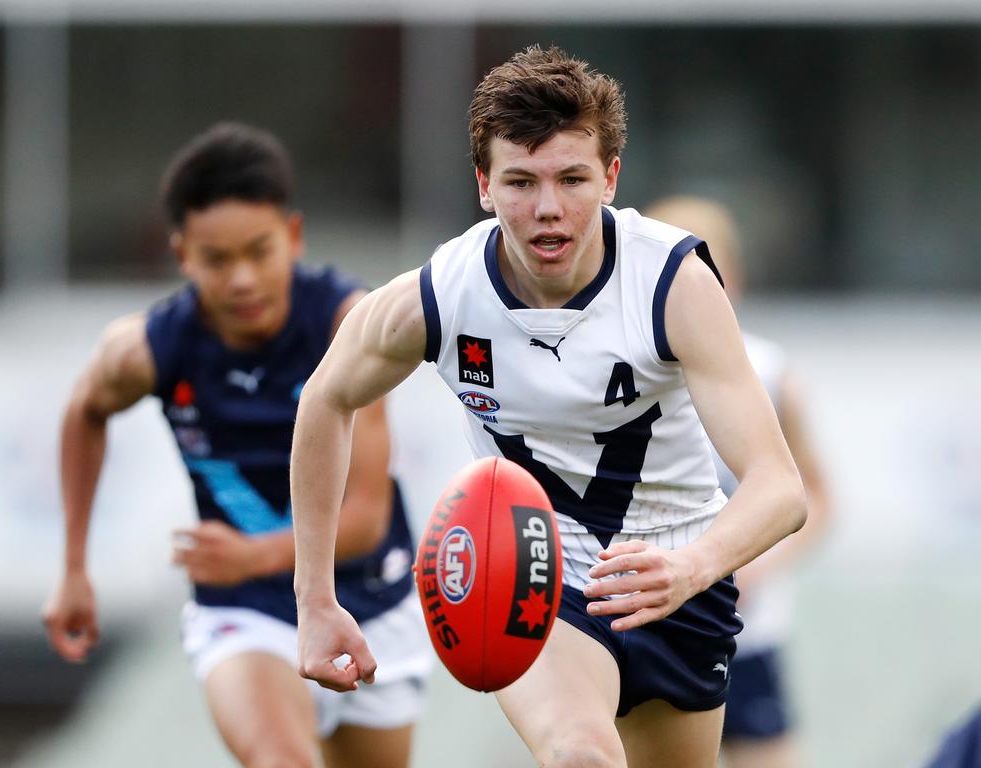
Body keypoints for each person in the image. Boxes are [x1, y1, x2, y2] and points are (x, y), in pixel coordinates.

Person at [290, 46, 806, 767]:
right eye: (520, 182)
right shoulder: (441, 295)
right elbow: (324, 399)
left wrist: (695, 566)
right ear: (483, 185)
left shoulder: (674, 283)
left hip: (676, 578)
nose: (547, 209)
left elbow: (781, 489)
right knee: (581, 755)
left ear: (611, 177)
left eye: (571, 178)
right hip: (536, 569)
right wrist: (314, 600)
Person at [41, 122, 431, 768]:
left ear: (294, 236)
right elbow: (85, 410)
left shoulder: (348, 326)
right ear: (182, 256)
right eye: (218, 260)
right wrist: (74, 568)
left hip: (367, 597)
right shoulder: (148, 350)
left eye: (260, 250)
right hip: (247, 610)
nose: (243, 279)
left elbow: (363, 520)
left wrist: (249, 554)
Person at [645, 196, 832, 768]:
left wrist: (755, 562)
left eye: (708, 277)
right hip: (644, 626)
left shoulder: (770, 375)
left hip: (746, 631)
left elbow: (816, 498)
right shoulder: (622, 373)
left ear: (736, 282)